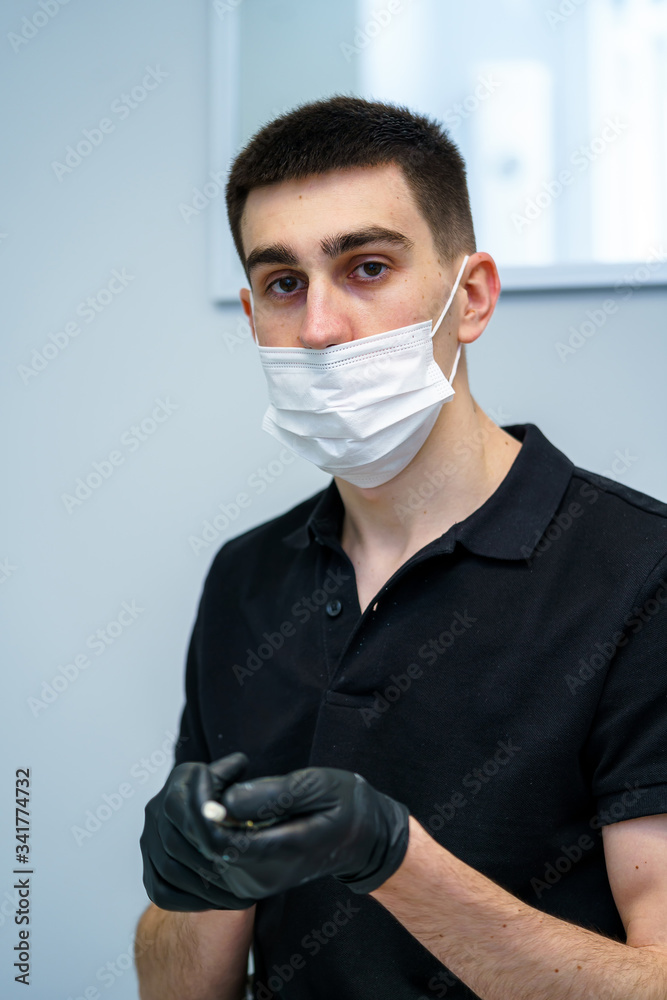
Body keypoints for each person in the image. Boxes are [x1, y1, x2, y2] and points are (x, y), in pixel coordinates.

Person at [136, 96, 667, 1000]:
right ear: (252, 312)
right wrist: (190, 887)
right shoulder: (246, 579)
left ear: (470, 296)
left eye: (367, 267)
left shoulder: (636, 574)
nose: (318, 328)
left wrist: (389, 857)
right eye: (283, 284)